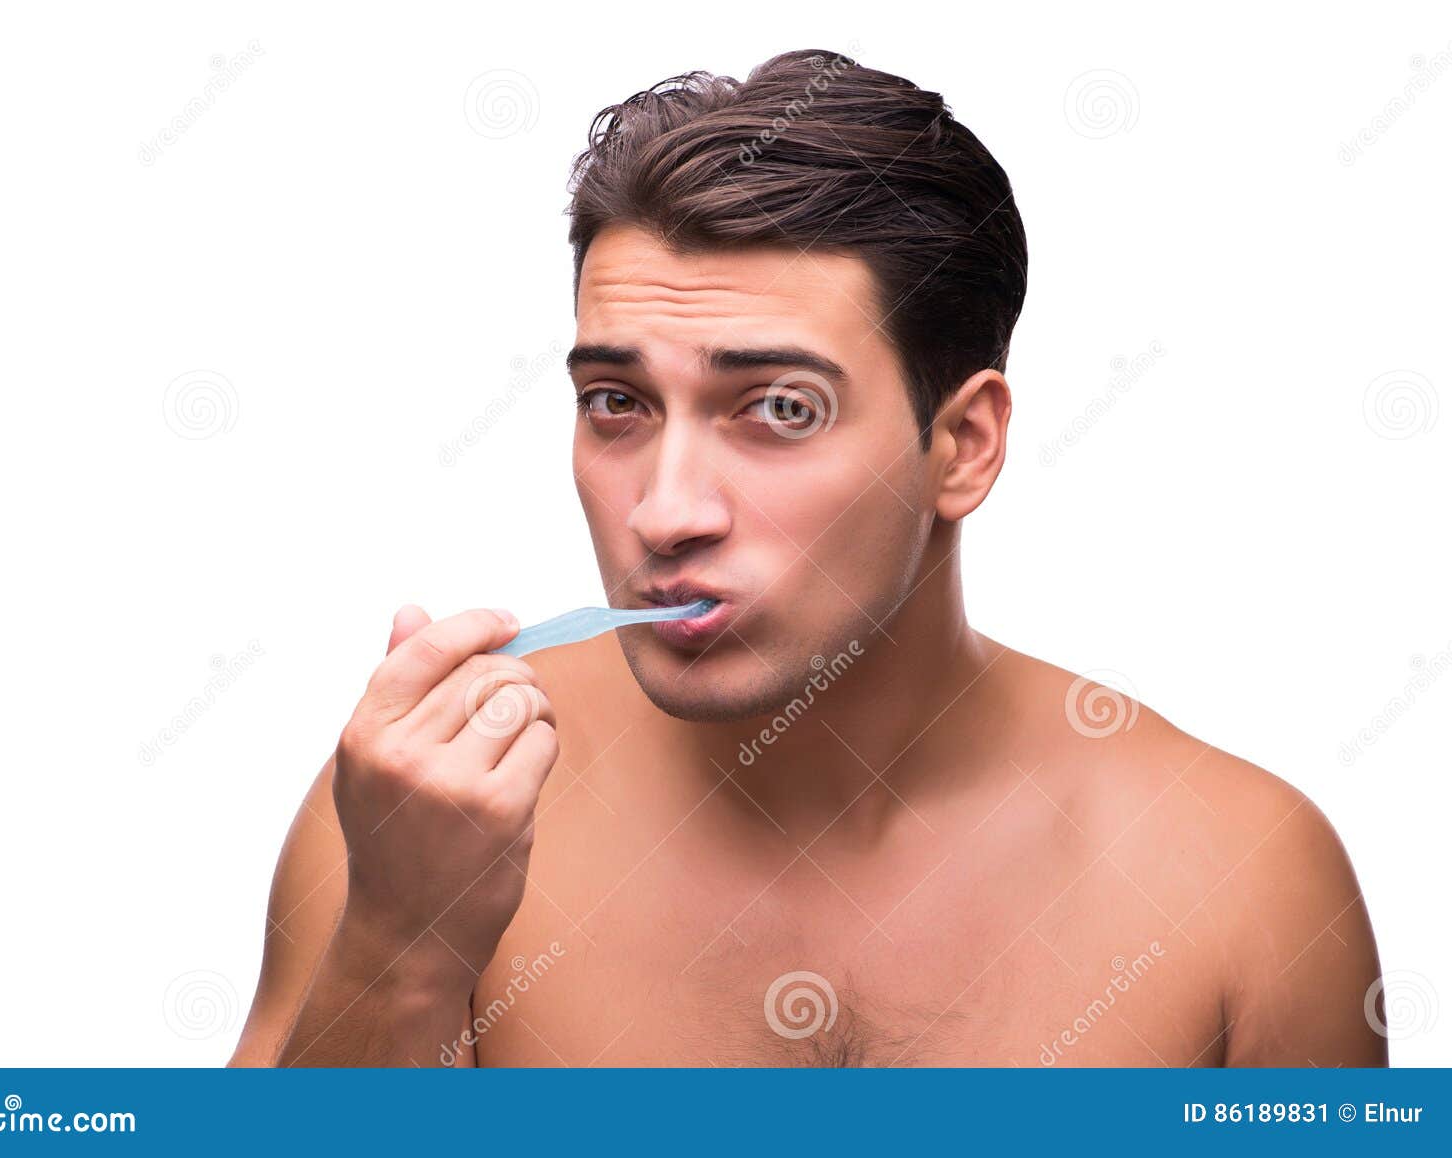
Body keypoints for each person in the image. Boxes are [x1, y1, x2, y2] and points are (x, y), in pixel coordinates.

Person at [229, 50, 1385, 1067]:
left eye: (777, 408)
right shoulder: (418, 824)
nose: (665, 511)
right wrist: (398, 944)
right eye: (617, 402)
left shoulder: (1242, 883)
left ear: (963, 446)